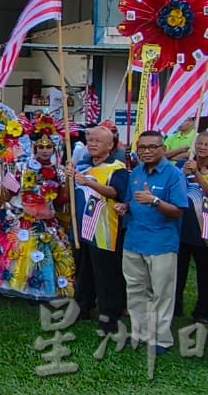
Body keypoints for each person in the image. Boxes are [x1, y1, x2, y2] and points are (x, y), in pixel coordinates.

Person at [0, 128, 73, 301]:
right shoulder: (21, 167)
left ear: (54, 149)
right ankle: (9, 283)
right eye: (41, 147)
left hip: (44, 220)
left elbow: (61, 200)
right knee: (14, 249)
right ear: (34, 148)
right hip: (19, 216)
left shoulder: (59, 172)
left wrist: (67, 182)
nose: (44, 150)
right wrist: (2, 207)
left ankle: (39, 286)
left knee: (41, 254)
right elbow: (9, 191)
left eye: (48, 147)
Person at [113, 130, 187, 356]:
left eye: (152, 147)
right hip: (134, 240)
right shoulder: (136, 173)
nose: (146, 151)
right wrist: (124, 207)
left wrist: (154, 201)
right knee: (135, 290)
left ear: (163, 149)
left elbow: (178, 211)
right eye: (142, 147)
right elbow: (130, 201)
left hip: (162, 243)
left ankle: (161, 339)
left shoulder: (173, 175)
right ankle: (139, 333)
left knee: (161, 292)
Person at [69, 126, 129, 332]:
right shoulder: (83, 166)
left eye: (98, 141)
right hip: (83, 229)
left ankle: (109, 316)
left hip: (104, 230)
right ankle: (82, 307)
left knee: (106, 275)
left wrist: (88, 182)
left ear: (110, 145)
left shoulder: (117, 169)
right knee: (83, 272)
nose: (92, 144)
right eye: (90, 140)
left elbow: (116, 192)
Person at [174, 131, 208, 325]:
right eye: (199, 143)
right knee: (177, 273)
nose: (202, 147)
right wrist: (182, 176)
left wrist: (197, 174)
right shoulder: (181, 167)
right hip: (181, 229)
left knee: (206, 274)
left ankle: (203, 311)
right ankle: (175, 307)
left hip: (205, 231)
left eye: (207, 144)